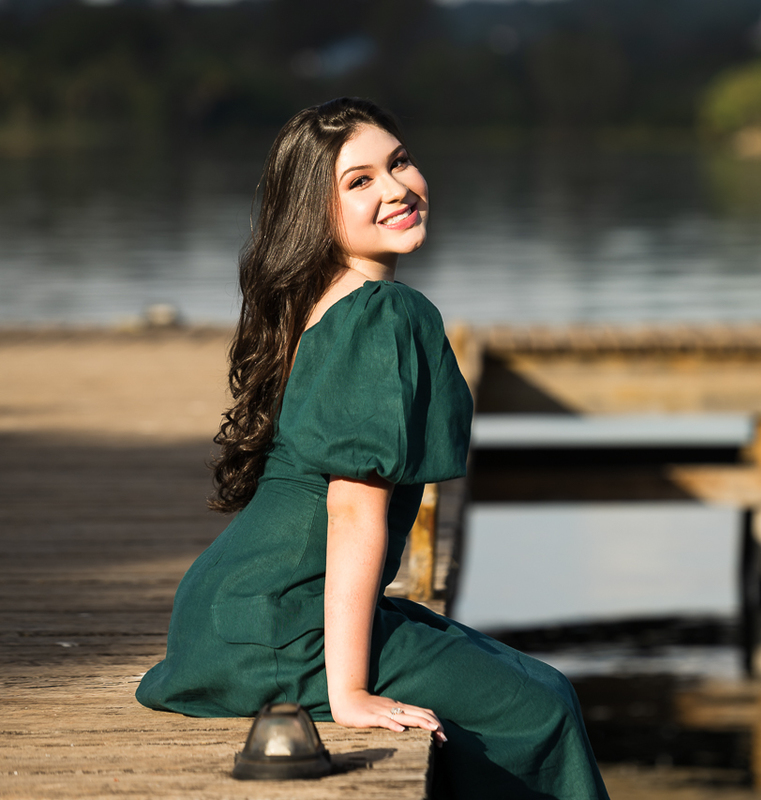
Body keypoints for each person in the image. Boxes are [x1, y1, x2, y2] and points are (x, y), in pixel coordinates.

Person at [136, 97, 609, 799]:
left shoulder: (323, 299)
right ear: (314, 212)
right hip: (280, 625)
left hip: (228, 612)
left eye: (399, 162)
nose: (395, 187)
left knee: (530, 682)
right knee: (537, 710)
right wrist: (349, 692)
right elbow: (354, 510)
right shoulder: (383, 315)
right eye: (359, 181)